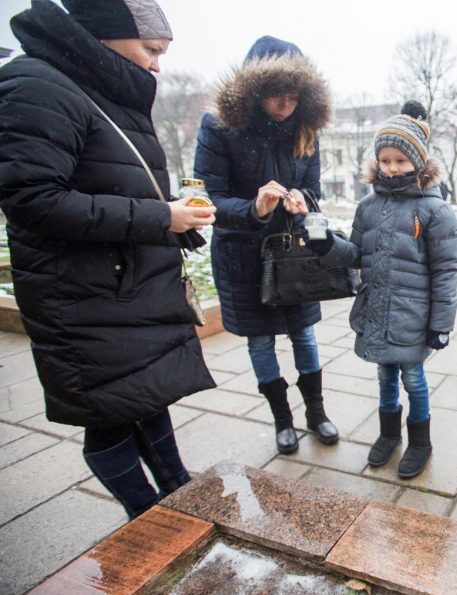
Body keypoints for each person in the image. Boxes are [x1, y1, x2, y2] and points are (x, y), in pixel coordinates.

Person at [0, 0, 216, 519]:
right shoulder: (37, 84)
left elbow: (112, 179)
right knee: (108, 415)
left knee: (143, 395)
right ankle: (146, 516)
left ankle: (177, 492)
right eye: (151, 50)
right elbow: (32, 198)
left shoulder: (95, 86)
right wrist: (160, 218)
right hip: (79, 292)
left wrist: (170, 220)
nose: (157, 65)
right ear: (107, 34)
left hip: (121, 283)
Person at [193, 36, 337, 455]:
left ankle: (316, 412)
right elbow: (208, 197)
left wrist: (300, 203)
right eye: (277, 96)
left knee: (304, 337)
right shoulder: (220, 128)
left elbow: (313, 190)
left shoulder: (306, 130)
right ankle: (282, 419)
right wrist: (254, 207)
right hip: (243, 254)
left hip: (292, 252)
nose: (285, 106)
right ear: (255, 92)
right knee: (260, 341)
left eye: (294, 97)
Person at [309, 113, 457, 479]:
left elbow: (445, 272)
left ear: (419, 161)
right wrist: (327, 243)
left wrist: (441, 325)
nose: (392, 169)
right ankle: (389, 434)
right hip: (377, 310)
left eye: (401, 160)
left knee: (413, 379)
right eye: (386, 160)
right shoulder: (368, 206)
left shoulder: (434, 209)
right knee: (384, 377)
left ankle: (420, 441)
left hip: (413, 316)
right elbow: (356, 254)